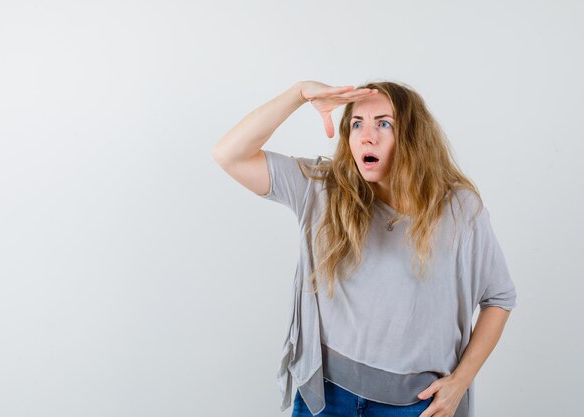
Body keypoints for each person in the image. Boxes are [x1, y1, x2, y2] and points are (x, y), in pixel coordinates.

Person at [212, 81, 517, 417]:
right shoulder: (322, 190)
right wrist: (299, 94)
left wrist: (461, 381)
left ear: (413, 137)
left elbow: (498, 299)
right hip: (327, 399)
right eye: (357, 124)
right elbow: (229, 154)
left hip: (414, 406)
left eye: (383, 124)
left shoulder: (458, 209)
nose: (366, 136)